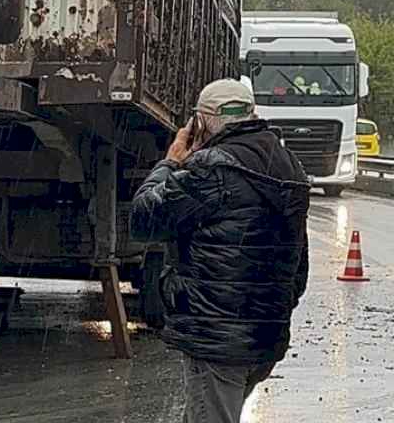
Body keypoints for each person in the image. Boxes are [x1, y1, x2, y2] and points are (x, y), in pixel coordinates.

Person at [131, 79, 311, 423]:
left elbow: (143, 219)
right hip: (264, 338)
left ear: (200, 122)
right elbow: (298, 270)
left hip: (217, 340)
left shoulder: (211, 169)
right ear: (252, 114)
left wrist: (170, 163)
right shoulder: (291, 167)